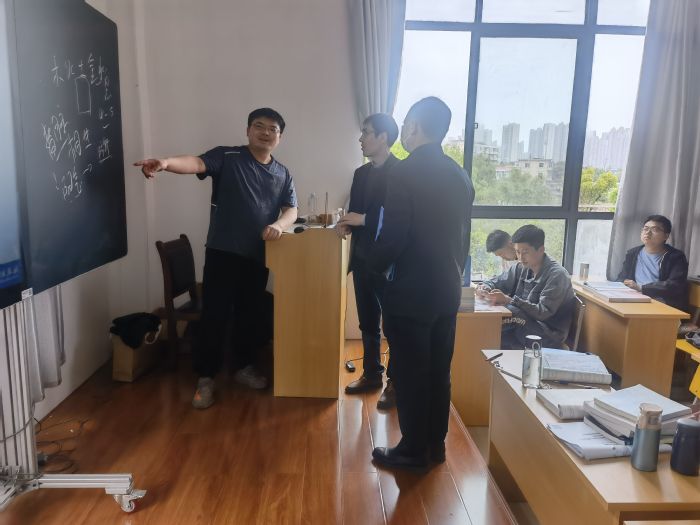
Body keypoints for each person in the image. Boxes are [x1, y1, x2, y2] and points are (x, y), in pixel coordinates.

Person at [134, 108, 298, 409]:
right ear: (248, 130)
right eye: (259, 126)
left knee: (250, 315)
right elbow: (196, 162)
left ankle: (244, 367)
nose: (265, 132)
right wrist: (166, 163)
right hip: (223, 252)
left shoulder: (283, 173)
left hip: (258, 255)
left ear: (280, 137)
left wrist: (279, 224)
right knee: (215, 316)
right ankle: (206, 378)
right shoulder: (228, 156)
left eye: (272, 129)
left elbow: (292, 209)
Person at [367, 97, 475, 470]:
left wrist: (372, 265)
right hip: (447, 288)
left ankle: (413, 451)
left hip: (410, 291)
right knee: (438, 371)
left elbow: (394, 235)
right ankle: (435, 445)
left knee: (412, 373)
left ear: (412, 127)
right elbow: (463, 238)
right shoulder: (460, 174)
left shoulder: (405, 171)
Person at [336, 113, 400, 410]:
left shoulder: (402, 172)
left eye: (367, 133)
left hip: (390, 262)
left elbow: (399, 218)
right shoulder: (361, 173)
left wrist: (363, 219)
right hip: (362, 257)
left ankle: (396, 382)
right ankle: (372, 374)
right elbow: (357, 211)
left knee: (394, 324)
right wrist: (347, 224)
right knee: (367, 322)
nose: (361, 139)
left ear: (383, 137)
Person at [477, 225, 574, 349]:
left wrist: (508, 300)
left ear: (541, 250)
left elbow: (542, 312)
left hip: (548, 333)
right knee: (488, 331)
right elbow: (497, 281)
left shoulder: (557, 275)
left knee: (506, 318)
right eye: (518, 252)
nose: (521, 258)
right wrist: (485, 287)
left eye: (525, 252)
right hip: (525, 325)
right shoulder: (521, 267)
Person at [616, 214, 689, 311]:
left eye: (655, 229)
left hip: (662, 303)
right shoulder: (633, 253)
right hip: (634, 299)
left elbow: (674, 285)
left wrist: (641, 288)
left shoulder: (676, 257)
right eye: (645, 229)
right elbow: (622, 277)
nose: (648, 232)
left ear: (666, 236)